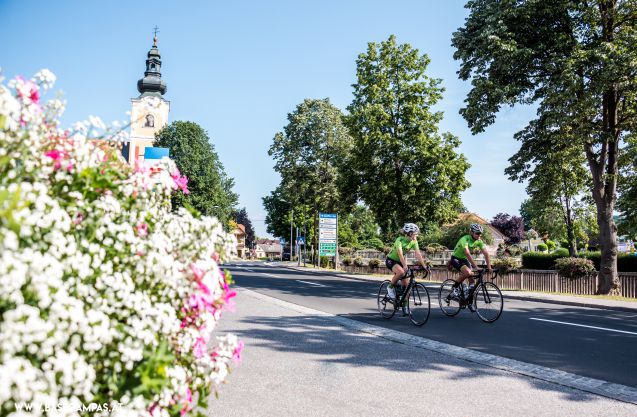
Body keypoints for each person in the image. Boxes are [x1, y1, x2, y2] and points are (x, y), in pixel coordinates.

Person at [385, 223, 428, 301]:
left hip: (400, 262)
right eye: (415, 233)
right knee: (401, 272)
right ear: (410, 233)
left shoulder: (414, 241)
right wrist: (405, 265)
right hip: (391, 260)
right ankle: (390, 287)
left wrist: (424, 266)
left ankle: (405, 309)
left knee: (407, 287)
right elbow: (400, 253)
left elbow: (418, 254)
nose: (416, 235)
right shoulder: (399, 239)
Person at [449, 223, 492, 299]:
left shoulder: (479, 241)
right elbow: (467, 253)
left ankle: (469, 300)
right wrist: (476, 267)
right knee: (468, 272)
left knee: (472, 280)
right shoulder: (465, 239)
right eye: (477, 233)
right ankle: (454, 288)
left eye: (480, 234)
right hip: (456, 258)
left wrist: (489, 267)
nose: (479, 235)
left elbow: (486, 253)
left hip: (464, 259)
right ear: (471, 232)